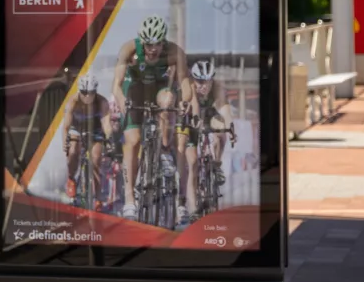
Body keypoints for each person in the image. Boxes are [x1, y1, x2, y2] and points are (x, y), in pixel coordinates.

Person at [111, 15, 190, 221]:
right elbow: (117, 86)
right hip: (135, 89)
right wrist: (122, 106)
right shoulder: (129, 49)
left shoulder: (175, 52)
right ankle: (130, 198)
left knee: (168, 100)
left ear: (164, 41)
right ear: (142, 41)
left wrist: (185, 101)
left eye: (157, 44)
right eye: (148, 44)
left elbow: (184, 82)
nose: (153, 49)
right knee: (133, 140)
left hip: (159, 88)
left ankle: (164, 150)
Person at [176, 60, 235, 225]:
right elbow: (194, 106)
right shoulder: (190, 87)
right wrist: (196, 124)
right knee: (193, 163)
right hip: (190, 120)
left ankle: (216, 165)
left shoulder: (217, 88)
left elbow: (225, 110)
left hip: (208, 115)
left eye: (207, 82)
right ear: (194, 80)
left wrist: (230, 128)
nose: (204, 86)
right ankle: (193, 208)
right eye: (200, 82)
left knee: (221, 128)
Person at [64, 73, 110, 206]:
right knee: (73, 151)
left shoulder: (102, 101)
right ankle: (71, 179)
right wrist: (65, 143)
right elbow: (66, 126)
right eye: (84, 92)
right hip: (76, 129)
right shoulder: (73, 101)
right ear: (80, 91)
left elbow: (106, 125)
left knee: (96, 160)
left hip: (95, 130)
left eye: (91, 93)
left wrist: (110, 140)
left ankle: (98, 195)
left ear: (95, 91)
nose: (87, 96)